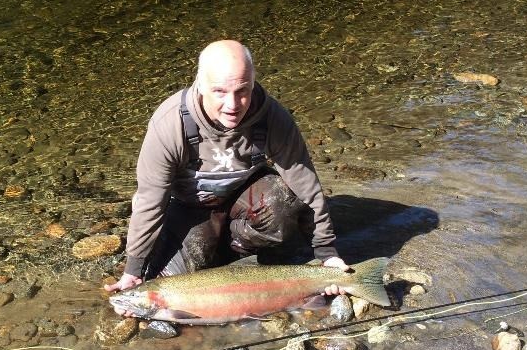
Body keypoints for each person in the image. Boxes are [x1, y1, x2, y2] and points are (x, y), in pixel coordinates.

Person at [105, 39, 349, 298]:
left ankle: (235, 253)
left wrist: (327, 253)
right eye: (220, 92)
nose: (233, 105)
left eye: (242, 91)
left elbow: (306, 185)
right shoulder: (170, 124)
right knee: (167, 288)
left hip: (243, 200)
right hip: (191, 209)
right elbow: (150, 202)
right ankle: (213, 245)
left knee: (284, 199)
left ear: (253, 82)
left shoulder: (272, 118)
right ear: (200, 85)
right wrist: (133, 270)